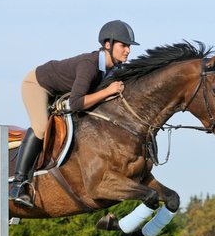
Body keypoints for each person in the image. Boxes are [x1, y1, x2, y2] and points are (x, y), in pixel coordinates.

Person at [9, 20, 140, 207]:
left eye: (129, 46)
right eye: (123, 45)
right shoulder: (89, 65)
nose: (128, 50)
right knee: (40, 127)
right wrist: (108, 91)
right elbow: (77, 103)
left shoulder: (113, 69)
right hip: (37, 85)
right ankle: (18, 185)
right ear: (108, 45)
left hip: (59, 92)